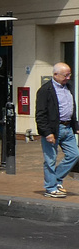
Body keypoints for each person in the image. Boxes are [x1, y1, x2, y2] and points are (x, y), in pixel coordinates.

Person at [34, 62, 79, 198]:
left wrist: (75, 126)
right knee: (50, 160)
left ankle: (56, 180)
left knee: (74, 154)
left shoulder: (68, 87)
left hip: (67, 128)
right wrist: (47, 133)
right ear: (55, 75)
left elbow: (71, 107)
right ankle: (50, 188)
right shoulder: (45, 90)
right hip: (53, 129)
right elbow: (40, 114)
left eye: (69, 75)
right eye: (65, 75)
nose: (68, 78)